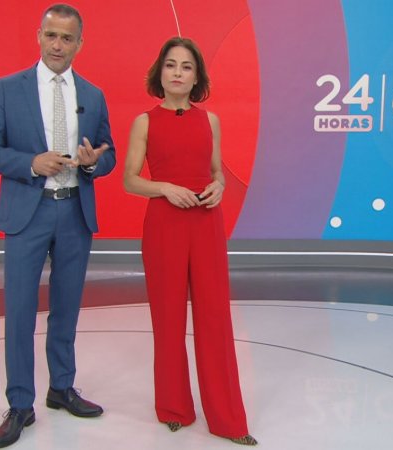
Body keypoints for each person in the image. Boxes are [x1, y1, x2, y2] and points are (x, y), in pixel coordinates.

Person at [0, 4, 116, 448]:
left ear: (80, 43)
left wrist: (93, 164)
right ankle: (20, 403)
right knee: (20, 309)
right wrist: (30, 163)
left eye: (67, 38)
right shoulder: (8, 89)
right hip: (28, 212)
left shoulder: (93, 95)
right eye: (51, 35)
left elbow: (109, 153)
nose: (58, 45)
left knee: (67, 307)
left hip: (75, 212)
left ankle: (61, 387)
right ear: (39, 35)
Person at [123, 37, 257, 446]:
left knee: (215, 318)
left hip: (205, 223)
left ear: (197, 77)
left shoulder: (210, 120)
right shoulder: (145, 122)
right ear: (159, 72)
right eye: (170, 65)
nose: (177, 73)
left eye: (186, 67)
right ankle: (174, 408)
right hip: (164, 224)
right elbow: (130, 180)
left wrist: (219, 187)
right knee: (167, 319)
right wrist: (165, 188)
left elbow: (215, 171)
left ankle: (228, 420)